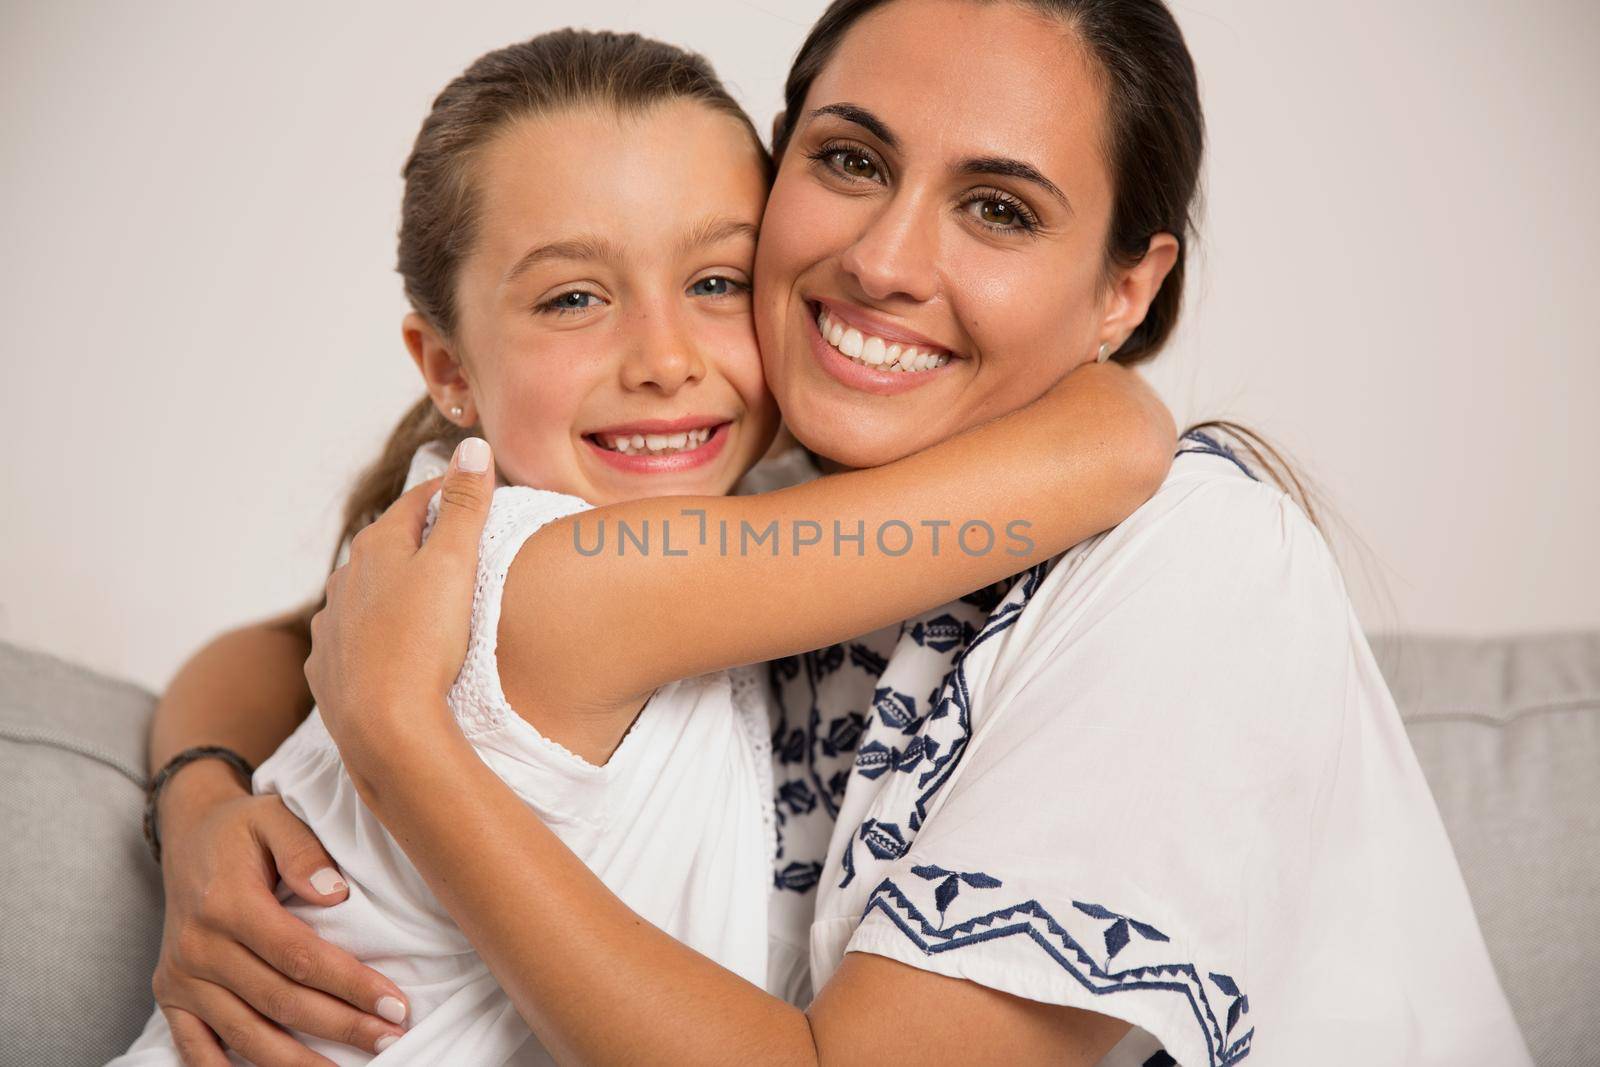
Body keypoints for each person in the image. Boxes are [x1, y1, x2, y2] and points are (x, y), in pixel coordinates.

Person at [145, 2, 1531, 1064]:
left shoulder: (1189, 563)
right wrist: (206, 801)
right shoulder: (744, 495)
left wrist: (400, 745)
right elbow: (308, 646)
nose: (881, 260)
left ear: (1127, 289)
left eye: (998, 208)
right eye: (853, 160)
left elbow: (402, 671)